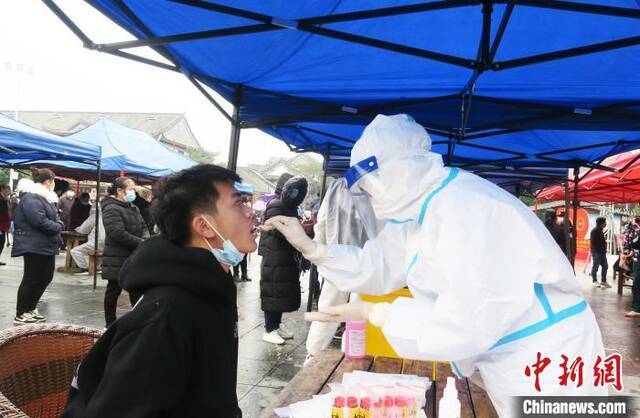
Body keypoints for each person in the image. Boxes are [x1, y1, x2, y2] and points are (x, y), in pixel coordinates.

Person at [264, 114, 606, 417]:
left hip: (548, 355)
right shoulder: (417, 210)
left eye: (368, 182)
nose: (367, 194)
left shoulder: (465, 208)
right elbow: (380, 263)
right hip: (508, 351)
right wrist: (314, 249)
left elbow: (464, 324)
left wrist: (379, 315)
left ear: (396, 169)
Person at [63, 164, 256, 418]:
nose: (251, 213)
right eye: (239, 203)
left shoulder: (213, 286)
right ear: (205, 226)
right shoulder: (166, 316)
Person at [305, 178, 381, 364]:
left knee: (329, 308)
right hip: (366, 262)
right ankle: (351, 355)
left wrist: (321, 254)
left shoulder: (336, 186)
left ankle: (313, 355)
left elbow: (321, 223)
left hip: (336, 258)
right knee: (358, 314)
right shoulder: (377, 186)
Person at [259, 175, 308, 345]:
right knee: (273, 291)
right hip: (275, 256)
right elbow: (278, 230)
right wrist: (299, 230)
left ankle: (276, 326)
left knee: (280, 292)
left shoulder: (287, 205)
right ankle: (269, 329)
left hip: (283, 255)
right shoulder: (276, 204)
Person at [12, 168, 63, 325]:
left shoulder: (45, 198)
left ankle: (31, 308)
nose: (54, 184)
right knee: (31, 279)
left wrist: (57, 224)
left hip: (46, 244)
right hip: (33, 244)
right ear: (48, 181)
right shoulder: (32, 197)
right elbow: (39, 221)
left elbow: (56, 218)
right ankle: (21, 313)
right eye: (53, 181)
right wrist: (58, 226)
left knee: (46, 277)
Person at [101, 177, 147, 327]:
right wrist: (141, 243)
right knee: (113, 290)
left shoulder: (133, 207)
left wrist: (146, 239)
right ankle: (110, 323)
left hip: (134, 255)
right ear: (119, 191)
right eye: (131, 189)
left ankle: (138, 321)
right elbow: (116, 232)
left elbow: (144, 226)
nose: (133, 192)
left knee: (136, 289)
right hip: (117, 256)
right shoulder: (111, 208)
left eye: (134, 188)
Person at [70, 203, 105, 272]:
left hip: (96, 243)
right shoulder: (108, 216)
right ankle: (97, 267)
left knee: (75, 251)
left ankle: (85, 268)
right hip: (107, 244)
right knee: (98, 252)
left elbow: (83, 230)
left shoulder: (94, 217)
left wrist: (77, 228)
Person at [589, 217, 610, 288]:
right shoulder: (594, 231)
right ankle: (594, 281)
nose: (606, 224)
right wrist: (596, 251)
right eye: (604, 222)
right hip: (596, 252)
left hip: (602, 252)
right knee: (596, 266)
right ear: (601, 223)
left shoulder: (601, 230)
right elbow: (593, 243)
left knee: (605, 266)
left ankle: (603, 281)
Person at [0, 184, 12, 265]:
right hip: (1, 224)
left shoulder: (5, 199)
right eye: (8, 189)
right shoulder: (2, 199)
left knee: (1, 242)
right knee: (1, 242)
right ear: (3, 189)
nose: (9, 191)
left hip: (4, 225)